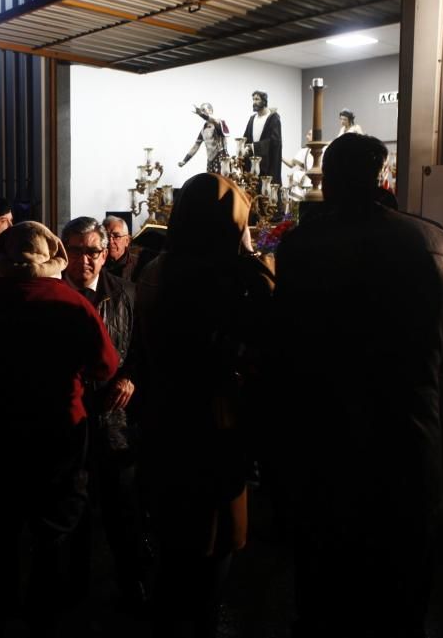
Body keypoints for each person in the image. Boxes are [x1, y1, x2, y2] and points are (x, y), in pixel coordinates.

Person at [273, 133, 443, 638]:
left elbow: (284, 350)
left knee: (325, 585)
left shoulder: (300, 247)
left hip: (325, 443)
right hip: (409, 440)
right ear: (382, 177)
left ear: (329, 182)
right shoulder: (437, 243)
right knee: (402, 586)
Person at [131, 173, 274, 638]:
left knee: (176, 539)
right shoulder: (232, 277)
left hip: (164, 415)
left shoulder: (155, 268)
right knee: (217, 540)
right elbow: (264, 336)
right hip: (215, 423)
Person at [0, 221, 118, 638]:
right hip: (59, 432)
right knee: (55, 528)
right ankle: (45, 614)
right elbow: (106, 365)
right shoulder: (71, 303)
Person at [60, 216, 146, 609]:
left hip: (115, 418)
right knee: (73, 512)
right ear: (63, 253)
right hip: (69, 419)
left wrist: (130, 377)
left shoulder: (126, 292)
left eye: (93, 251)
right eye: (76, 251)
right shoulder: (55, 296)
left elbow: (144, 348)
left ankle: (132, 583)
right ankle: (75, 591)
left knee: (122, 510)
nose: (86, 260)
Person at [242, 90, 282, 183]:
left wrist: (254, 146)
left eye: (257, 99)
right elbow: (246, 138)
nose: (254, 102)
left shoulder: (273, 118)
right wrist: (243, 148)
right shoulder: (252, 119)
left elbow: (275, 140)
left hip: (267, 164)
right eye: (253, 99)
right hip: (252, 164)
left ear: (264, 101)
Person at [179, 103, 229, 174]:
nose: (202, 112)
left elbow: (213, 121)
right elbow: (195, 146)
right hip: (210, 161)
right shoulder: (203, 130)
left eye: (204, 110)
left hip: (222, 159)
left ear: (211, 111)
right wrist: (184, 160)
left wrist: (201, 114)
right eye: (201, 110)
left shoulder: (219, 123)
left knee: (222, 182)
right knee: (209, 182)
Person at [103, 216, 138, 282]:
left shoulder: (139, 266)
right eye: (106, 236)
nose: (110, 241)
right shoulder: (95, 264)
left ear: (127, 241)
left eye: (116, 236)